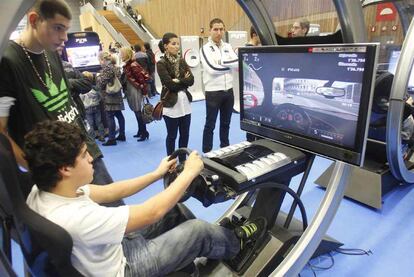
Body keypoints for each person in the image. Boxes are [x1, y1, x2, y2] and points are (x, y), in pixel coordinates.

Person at [24, 120, 267, 276]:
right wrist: (191, 172)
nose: (91, 159)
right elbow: (152, 213)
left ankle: (216, 242)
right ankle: (236, 244)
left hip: (109, 251)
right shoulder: (76, 218)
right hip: (124, 268)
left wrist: (156, 174)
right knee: (198, 230)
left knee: (176, 211)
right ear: (65, 168)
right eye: (84, 155)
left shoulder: (46, 191)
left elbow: (111, 191)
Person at [0, 0, 121, 206]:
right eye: (58, 28)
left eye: (66, 29)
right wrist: (33, 167)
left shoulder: (51, 53)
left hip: (84, 151)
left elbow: (67, 100)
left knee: (116, 212)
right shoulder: (9, 62)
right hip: (57, 169)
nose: (64, 37)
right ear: (34, 20)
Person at [200, 18, 238, 153]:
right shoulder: (205, 49)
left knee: (226, 124)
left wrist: (221, 61)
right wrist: (229, 65)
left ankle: (225, 150)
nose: (219, 32)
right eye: (215, 29)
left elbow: (238, 62)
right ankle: (207, 152)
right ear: (210, 31)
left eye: (221, 29)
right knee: (210, 124)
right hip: (213, 93)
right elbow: (212, 69)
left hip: (229, 92)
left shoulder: (227, 46)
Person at [157, 33, 194, 162]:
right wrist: (183, 80)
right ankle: (171, 161)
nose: (177, 46)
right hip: (171, 105)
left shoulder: (182, 61)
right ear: (166, 46)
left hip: (185, 105)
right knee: (172, 136)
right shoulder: (161, 63)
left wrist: (178, 80)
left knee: (185, 136)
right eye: (173, 44)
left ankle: (183, 161)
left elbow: (192, 80)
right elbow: (170, 85)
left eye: (178, 43)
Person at [120, 46, 150, 141]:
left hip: (135, 90)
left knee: (138, 112)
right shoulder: (129, 65)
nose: (120, 55)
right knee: (136, 112)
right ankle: (141, 131)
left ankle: (144, 132)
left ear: (126, 54)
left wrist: (144, 92)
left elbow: (141, 79)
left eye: (122, 53)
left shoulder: (132, 65)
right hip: (131, 89)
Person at [97, 51, 126, 146]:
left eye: (99, 60)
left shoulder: (107, 68)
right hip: (117, 94)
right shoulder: (115, 67)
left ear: (102, 60)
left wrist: (98, 77)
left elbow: (101, 83)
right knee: (119, 114)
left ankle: (112, 138)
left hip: (109, 96)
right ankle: (122, 134)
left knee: (110, 116)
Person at [80, 71, 105, 142]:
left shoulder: (83, 89)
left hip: (87, 108)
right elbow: (100, 97)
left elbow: (81, 99)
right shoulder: (95, 88)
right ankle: (102, 136)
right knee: (99, 122)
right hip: (96, 106)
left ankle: (92, 139)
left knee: (90, 124)